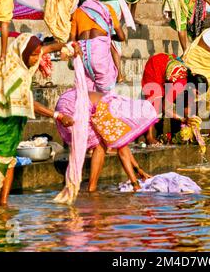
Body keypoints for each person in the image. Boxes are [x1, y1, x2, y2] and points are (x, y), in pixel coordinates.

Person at [0, 33, 75, 206]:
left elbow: (48, 48)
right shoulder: (15, 74)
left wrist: (69, 45)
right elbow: (29, 103)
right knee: (1, 156)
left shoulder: (25, 58)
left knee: (9, 156)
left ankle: (3, 203)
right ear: (23, 53)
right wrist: (58, 116)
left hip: (5, 110)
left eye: (37, 54)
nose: (36, 58)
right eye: (33, 55)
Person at [54, 43, 158, 204]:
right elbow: (122, 152)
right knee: (100, 145)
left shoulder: (115, 103)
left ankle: (86, 187)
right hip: (75, 107)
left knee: (102, 141)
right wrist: (135, 184)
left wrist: (139, 170)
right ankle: (92, 188)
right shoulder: (113, 110)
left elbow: (122, 145)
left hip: (65, 102)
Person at [69, 0, 126, 92]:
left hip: (82, 56)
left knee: (86, 94)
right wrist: (108, 37)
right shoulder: (108, 9)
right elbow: (122, 37)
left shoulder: (77, 12)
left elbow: (72, 40)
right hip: (100, 55)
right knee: (106, 94)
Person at [141, 53, 208, 144]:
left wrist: (194, 127)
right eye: (197, 93)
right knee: (155, 102)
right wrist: (183, 119)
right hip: (156, 65)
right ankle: (149, 137)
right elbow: (165, 108)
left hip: (167, 65)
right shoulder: (180, 85)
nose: (197, 96)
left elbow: (188, 108)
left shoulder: (190, 84)